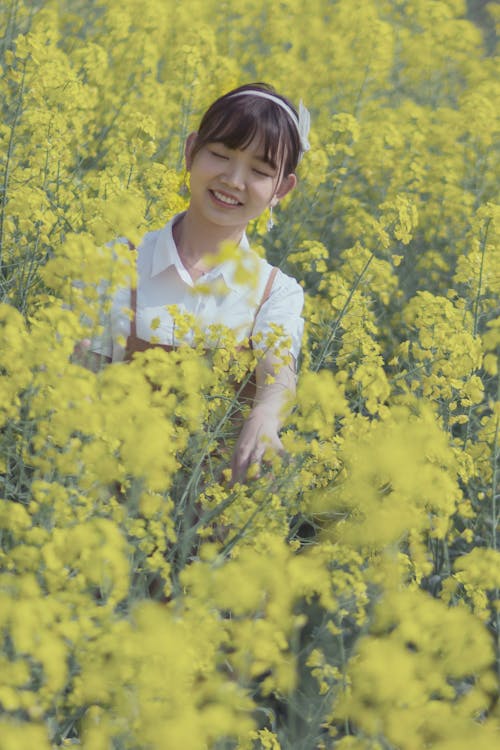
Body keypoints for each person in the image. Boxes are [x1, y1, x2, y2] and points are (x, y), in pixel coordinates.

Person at [83, 82, 309, 483]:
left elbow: (278, 374)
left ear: (282, 189)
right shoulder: (117, 261)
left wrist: (266, 414)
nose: (234, 180)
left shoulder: (277, 292)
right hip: (105, 507)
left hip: (206, 531)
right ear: (190, 152)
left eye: (259, 171)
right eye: (220, 155)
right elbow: (81, 374)